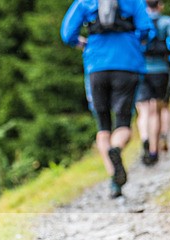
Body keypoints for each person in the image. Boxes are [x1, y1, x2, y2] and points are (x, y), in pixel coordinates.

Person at [61, 0, 154, 198]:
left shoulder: (85, 2)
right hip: (127, 64)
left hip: (96, 66)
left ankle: (114, 180)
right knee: (123, 123)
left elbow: (67, 34)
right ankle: (116, 148)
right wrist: (134, 42)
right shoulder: (134, 1)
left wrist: (82, 43)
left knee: (103, 127)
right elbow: (147, 30)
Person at [135, 0, 170, 165]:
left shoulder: (138, 21)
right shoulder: (166, 21)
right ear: (160, 5)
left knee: (143, 110)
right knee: (157, 109)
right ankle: (155, 149)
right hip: (160, 70)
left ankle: (145, 138)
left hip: (140, 69)